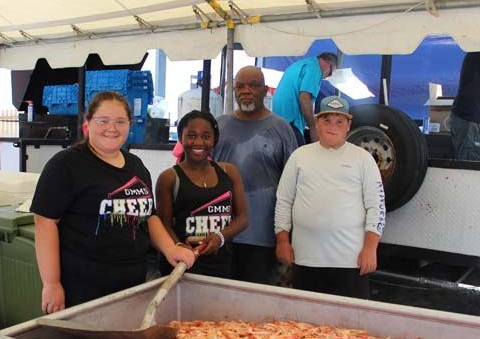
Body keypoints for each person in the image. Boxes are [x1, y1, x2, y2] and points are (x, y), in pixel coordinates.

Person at [30, 91, 196, 339]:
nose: (111, 128)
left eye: (119, 121)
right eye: (103, 121)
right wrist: (51, 282)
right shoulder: (67, 165)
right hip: (82, 281)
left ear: (130, 124)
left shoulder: (136, 164)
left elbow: (149, 216)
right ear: (87, 123)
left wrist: (171, 248)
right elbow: (45, 222)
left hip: (130, 280)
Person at [274, 96, 385, 299]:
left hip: (350, 261)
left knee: (350, 327)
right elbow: (284, 200)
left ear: (348, 125)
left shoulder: (364, 159)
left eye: (339, 121)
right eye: (327, 120)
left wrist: (370, 248)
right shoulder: (299, 156)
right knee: (305, 324)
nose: (332, 126)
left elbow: (376, 207)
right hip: (305, 259)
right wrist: (282, 241)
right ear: (317, 122)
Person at [214, 66, 298, 285]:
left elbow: (292, 189)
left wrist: (285, 238)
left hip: (263, 236)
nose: (246, 90)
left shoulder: (282, 129)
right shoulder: (219, 127)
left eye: (253, 85)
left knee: (254, 305)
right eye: (240, 86)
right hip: (220, 234)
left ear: (266, 90)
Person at [156, 111, 249, 278]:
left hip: (222, 266)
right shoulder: (169, 178)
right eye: (191, 135)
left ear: (214, 140)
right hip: (182, 268)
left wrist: (220, 237)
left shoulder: (229, 172)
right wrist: (178, 246)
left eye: (206, 136)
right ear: (180, 138)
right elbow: (164, 225)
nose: (198, 142)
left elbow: (243, 218)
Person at [272, 52, 338, 146]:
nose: (327, 76)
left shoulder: (303, 64)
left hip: (278, 120)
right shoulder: (315, 69)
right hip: (290, 122)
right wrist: (313, 127)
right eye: (330, 73)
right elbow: (304, 98)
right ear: (328, 64)